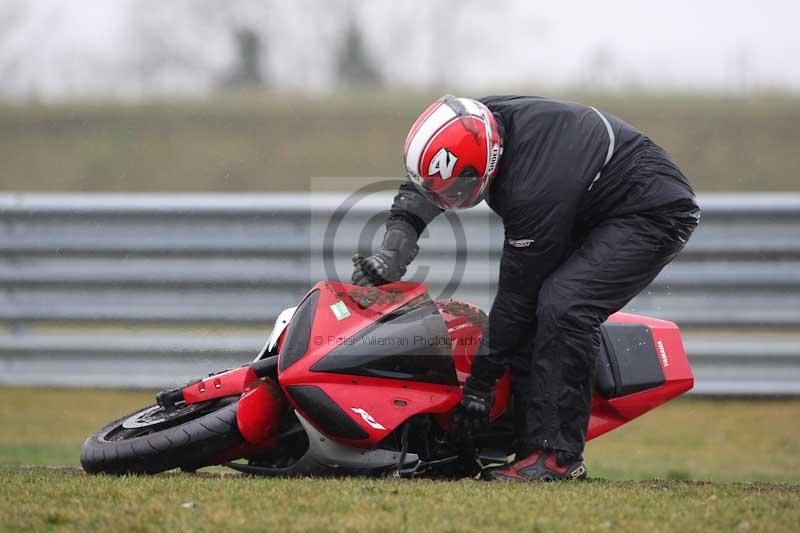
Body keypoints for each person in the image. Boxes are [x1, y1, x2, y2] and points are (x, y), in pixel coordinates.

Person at [351, 95, 700, 481]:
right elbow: (424, 185)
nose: (448, 200)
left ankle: (558, 459)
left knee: (564, 305)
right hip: (591, 195)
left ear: (490, 162)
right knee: (539, 312)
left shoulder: (531, 187)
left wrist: (480, 388)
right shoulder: (469, 123)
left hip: (651, 211)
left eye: (459, 189)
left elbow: (517, 298)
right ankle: (520, 440)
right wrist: (392, 253)